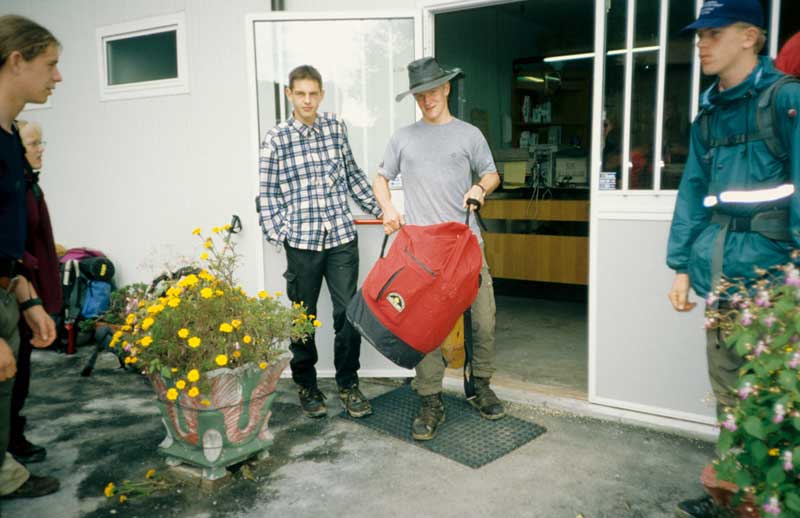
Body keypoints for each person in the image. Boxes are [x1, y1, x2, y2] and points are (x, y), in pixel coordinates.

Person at [665, 1, 800, 517]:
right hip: (723, 280)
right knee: (730, 396)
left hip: (778, 287)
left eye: (713, 33)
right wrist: (681, 267)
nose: (701, 43)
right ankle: (730, 495)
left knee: (778, 403)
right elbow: (692, 192)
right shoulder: (711, 113)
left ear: (750, 37)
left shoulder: (786, 101)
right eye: (699, 34)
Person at [373, 57, 505, 442]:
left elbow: (492, 172)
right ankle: (430, 399)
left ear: (446, 88)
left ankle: (480, 386)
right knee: (423, 329)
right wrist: (388, 208)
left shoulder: (469, 135)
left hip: (466, 248)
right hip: (423, 253)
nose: (427, 99)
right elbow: (381, 177)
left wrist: (480, 188)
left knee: (483, 320)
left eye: (433, 90)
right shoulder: (403, 138)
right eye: (420, 94)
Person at [258, 65, 382, 419]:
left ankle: (348, 383)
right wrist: (280, 234)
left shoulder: (335, 129)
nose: (308, 100)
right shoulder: (276, 138)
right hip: (302, 243)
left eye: (313, 93)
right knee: (303, 318)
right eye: (301, 94)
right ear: (290, 95)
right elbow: (267, 195)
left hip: (341, 237)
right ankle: (307, 385)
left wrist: (381, 208)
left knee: (348, 314)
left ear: (322, 94)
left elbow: (353, 176)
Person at [0, 15, 62, 498]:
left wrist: (24, 295)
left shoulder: (9, 140)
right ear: (16, 60)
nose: (57, 77)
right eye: (50, 64)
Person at [9, 120, 62, 464]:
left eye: (42, 143)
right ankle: (11, 441)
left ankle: (14, 435)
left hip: (35, 287)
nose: (41, 149)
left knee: (22, 370)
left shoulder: (30, 184)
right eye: (33, 144)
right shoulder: (16, 189)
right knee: (14, 371)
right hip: (18, 289)